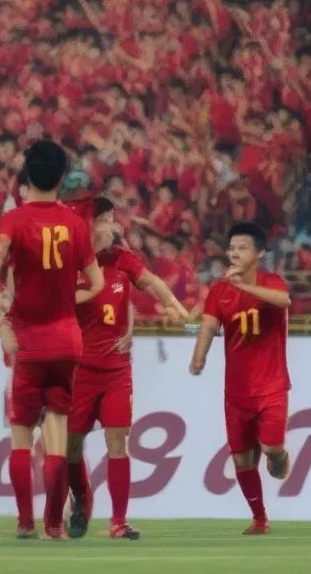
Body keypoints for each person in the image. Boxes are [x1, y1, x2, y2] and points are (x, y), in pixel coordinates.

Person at [0, 139, 103, 540]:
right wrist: (66, 299)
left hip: (29, 341)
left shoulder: (14, 221)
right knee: (57, 435)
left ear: (25, 176)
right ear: (61, 178)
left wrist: (2, 310)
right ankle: (54, 524)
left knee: (21, 434)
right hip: (68, 340)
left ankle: (25, 523)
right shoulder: (74, 223)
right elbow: (97, 283)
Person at [66, 196, 190, 540]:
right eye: (104, 220)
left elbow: (148, 283)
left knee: (118, 442)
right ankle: (80, 501)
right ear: (88, 226)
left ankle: (118, 522)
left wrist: (173, 305)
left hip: (116, 370)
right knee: (71, 448)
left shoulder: (122, 259)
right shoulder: (69, 264)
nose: (111, 226)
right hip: (78, 371)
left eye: (110, 219)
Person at [189, 221, 292, 535]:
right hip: (236, 390)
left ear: (259, 252)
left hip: (272, 385)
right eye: (232, 248)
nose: (234, 253)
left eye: (242, 247)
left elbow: (284, 302)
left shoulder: (271, 282)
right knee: (242, 460)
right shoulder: (219, 290)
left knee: (271, 449)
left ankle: (279, 455)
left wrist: (244, 287)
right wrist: (199, 356)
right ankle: (260, 518)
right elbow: (208, 324)